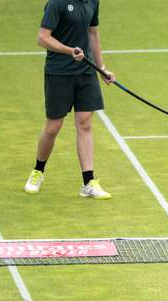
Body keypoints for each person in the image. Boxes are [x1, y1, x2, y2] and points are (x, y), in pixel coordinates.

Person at [24, 0, 115, 199]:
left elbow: (93, 33)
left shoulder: (92, 1)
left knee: (85, 123)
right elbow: (42, 38)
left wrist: (101, 68)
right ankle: (38, 171)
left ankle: (88, 182)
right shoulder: (57, 3)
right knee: (53, 126)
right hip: (59, 73)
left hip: (85, 71)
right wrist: (68, 50)